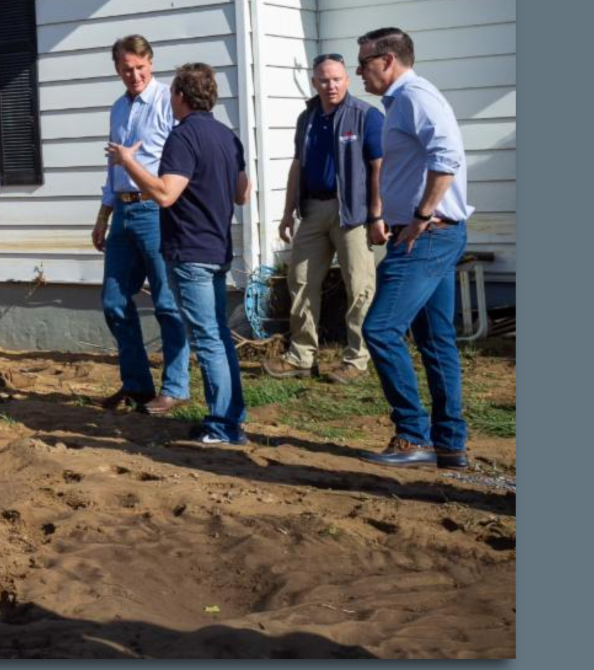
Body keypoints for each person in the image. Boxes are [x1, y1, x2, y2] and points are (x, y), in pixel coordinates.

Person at [107, 63, 252, 445]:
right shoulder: (226, 136)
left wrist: (129, 162)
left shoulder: (182, 137)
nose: (170, 101)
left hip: (191, 250)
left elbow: (165, 194)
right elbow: (243, 193)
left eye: (172, 94)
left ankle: (223, 425)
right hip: (218, 248)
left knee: (208, 340)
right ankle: (232, 417)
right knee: (218, 335)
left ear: (181, 97)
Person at [351, 28, 474, 469]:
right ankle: (449, 445)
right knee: (435, 341)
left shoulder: (415, 98)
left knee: (381, 330)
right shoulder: (404, 101)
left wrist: (420, 217)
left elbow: (448, 157)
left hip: (426, 235)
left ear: (387, 61)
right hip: (432, 232)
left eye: (363, 62)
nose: (358, 71)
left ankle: (412, 435)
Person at [267, 54, 386, 384]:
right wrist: (287, 211)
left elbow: (378, 167)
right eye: (323, 80)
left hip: (353, 213)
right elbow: (297, 166)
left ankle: (357, 360)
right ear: (314, 82)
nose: (330, 85)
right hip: (313, 210)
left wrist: (377, 215)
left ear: (346, 79)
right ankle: (301, 356)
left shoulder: (366, 116)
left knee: (358, 284)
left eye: (336, 79)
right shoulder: (307, 118)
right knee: (301, 279)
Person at [91, 35, 191, 416]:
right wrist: (103, 214)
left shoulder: (169, 101)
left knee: (167, 303)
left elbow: (183, 158)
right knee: (114, 302)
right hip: (124, 213)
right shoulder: (118, 108)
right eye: (126, 69)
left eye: (140, 68)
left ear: (151, 63)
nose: (134, 75)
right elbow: (113, 165)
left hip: (157, 211)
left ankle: (175, 387)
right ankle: (136, 386)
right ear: (117, 69)